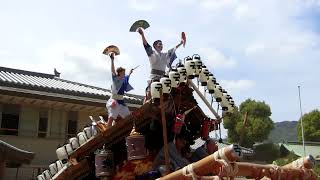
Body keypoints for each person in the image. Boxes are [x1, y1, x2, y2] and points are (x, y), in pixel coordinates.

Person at [137, 28, 184, 102]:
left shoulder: (165, 54)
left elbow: (173, 49)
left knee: (167, 97)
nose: (161, 45)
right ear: (155, 46)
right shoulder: (152, 53)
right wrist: (142, 35)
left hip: (163, 79)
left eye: (162, 44)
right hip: (153, 78)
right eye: (159, 44)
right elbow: (146, 45)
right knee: (149, 95)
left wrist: (181, 43)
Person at [106, 53, 134, 127]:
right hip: (114, 100)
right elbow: (112, 70)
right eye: (123, 73)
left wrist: (130, 73)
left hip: (121, 102)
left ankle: (128, 128)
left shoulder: (124, 80)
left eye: (124, 73)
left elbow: (127, 77)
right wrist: (112, 60)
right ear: (119, 73)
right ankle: (107, 132)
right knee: (111, 117)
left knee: (128, 116)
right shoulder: (115, 79)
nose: (124, 74)